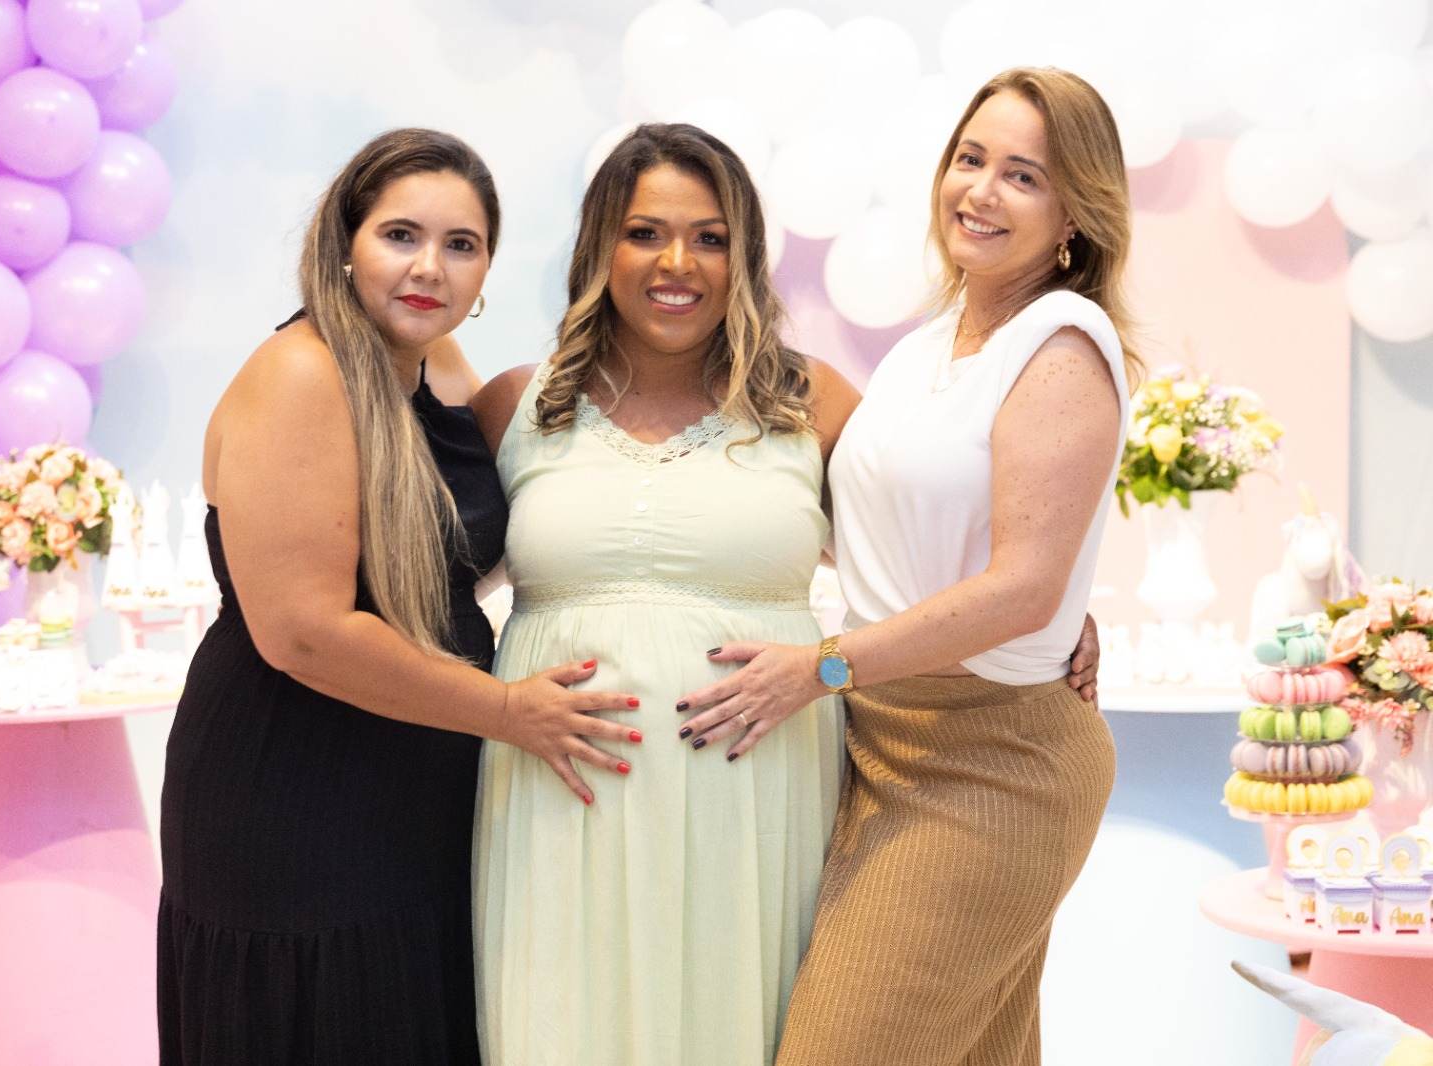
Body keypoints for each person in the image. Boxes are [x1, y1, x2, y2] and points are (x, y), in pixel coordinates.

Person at [466, 122, 1103, 1065]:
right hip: (558, 801)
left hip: (758, 801)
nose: (677, 263)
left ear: (746, 257)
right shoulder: (517, 404)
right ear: (601, 246)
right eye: (644, 233)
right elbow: (427, 584)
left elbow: (928, 536)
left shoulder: (812, 401)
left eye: (711, 238)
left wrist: (1063, 607)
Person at [670, 69, 1141, 1066]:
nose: (981, 191)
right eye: (971, 159)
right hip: (886, 744)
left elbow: (1022, 589)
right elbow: (879, 532)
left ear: (1074, 213)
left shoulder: (1061, 347)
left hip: (995, 761)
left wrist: (821, 666)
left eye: (1023, 175)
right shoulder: (932, 346)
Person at [156, 128, 638, 1066]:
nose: (429, 268)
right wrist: (508, 711)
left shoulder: (438, 367)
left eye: (461, 245)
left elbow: (468, 547)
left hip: (415, 785)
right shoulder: (302, 373)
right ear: (345, 242)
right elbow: (303, 634)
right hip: (292, 786)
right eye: (401, 236)